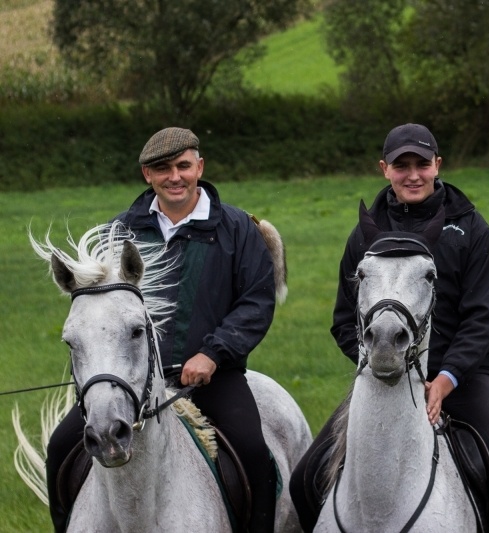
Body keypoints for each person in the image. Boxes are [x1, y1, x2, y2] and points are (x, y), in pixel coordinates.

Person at [289, 123, 489, 532]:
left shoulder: (472, 229)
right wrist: (379, 363)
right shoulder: (364, 235)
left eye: (421, 164)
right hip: (381, 377)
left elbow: (479, 321)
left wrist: (443, 381)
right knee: (305, 478)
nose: (413, 174)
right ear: (384, 169)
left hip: (462, 379)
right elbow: (343, 320)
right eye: (401, 165)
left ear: (437, 165)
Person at [45, 127, 279, 533]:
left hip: (213, 378)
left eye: (183, 166)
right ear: (146, 175)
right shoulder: (118, 234)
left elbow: (257, 302)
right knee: (60, 448)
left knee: (254, 453)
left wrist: (213, 353)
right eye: (162, 168)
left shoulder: (238, 229)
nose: (175, 177)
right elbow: (95, 317)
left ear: (199, 167)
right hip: (129, 382)